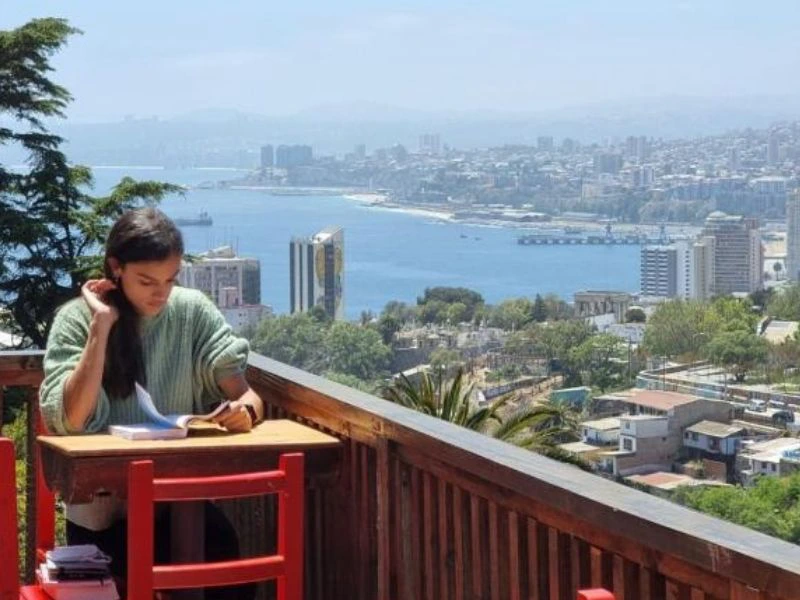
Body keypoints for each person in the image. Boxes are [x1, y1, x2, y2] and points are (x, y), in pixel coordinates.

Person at [40, 207, 264, 599]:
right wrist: (101, 326)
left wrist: (244, 413)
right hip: (103, 515)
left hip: (179, 504)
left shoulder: (191, 311)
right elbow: (71, 421)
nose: (160, 293)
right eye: (146, 281)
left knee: (223, 554)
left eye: (170, 279)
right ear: (116, 268)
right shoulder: (76, 320)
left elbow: (247, 395)